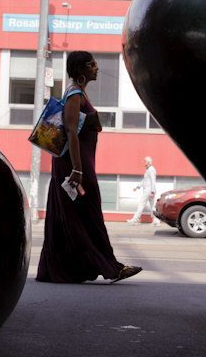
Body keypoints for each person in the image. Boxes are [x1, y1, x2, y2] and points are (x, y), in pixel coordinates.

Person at [36, 51, 143, 283]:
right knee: (89, 215)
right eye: (92, 64)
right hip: (75, 166)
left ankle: (71, 268)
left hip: (78, 164)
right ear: (82, 70)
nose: (96, 67)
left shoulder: (78, 93)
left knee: (77, 216)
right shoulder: (74, 93)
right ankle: (111, 267)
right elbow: (71, 130)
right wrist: (77, 169)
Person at [127, 156, 158, 225]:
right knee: (152, 206)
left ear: (148, 162)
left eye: (145, 161)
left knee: (141, 204)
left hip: (149, 190)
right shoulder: (148, 169)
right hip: (149, 190)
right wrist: (137, 187)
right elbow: (144, 180)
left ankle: (134, 220)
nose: (143, 162)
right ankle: (156, 221)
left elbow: (153, 181)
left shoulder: (151, 170)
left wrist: (152, 191)